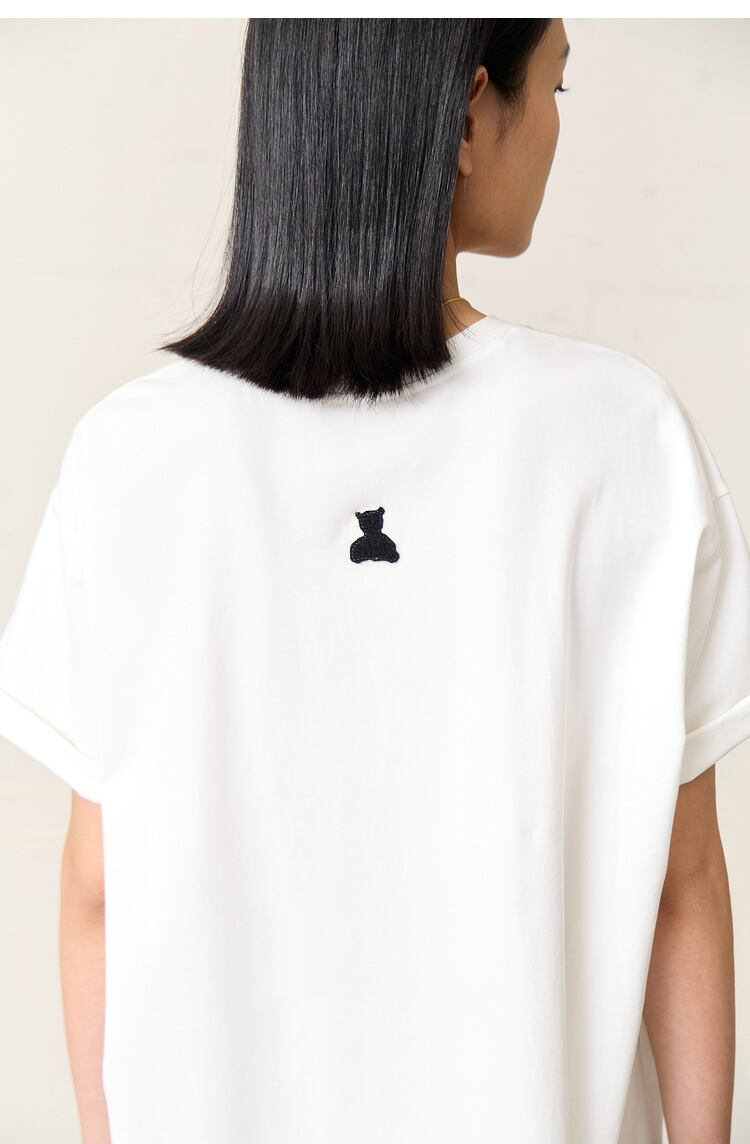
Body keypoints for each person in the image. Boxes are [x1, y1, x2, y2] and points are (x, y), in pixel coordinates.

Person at [0, 18, 748, 1144]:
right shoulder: (621, 439)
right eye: (554, 88)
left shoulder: (127, 455)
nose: (556, 127)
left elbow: (97, 894)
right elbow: (682, 890)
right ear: (468, 116)